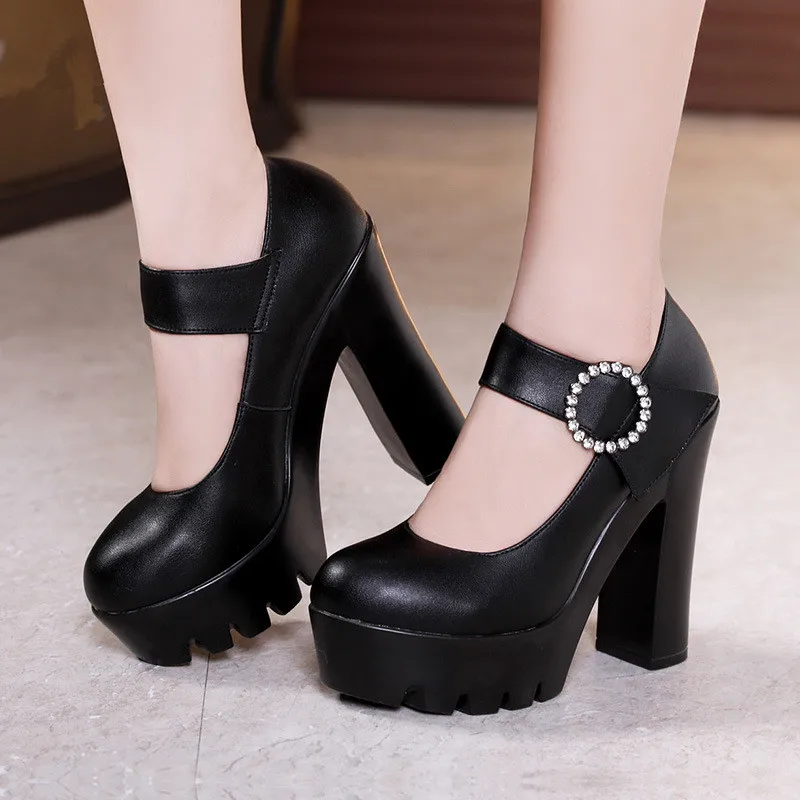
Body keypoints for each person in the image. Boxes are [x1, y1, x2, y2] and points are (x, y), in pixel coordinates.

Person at [82, 0, 718, 715]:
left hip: (600, 345)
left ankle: (595, 327)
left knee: (588, 285)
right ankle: (217, 231)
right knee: (194, 193)